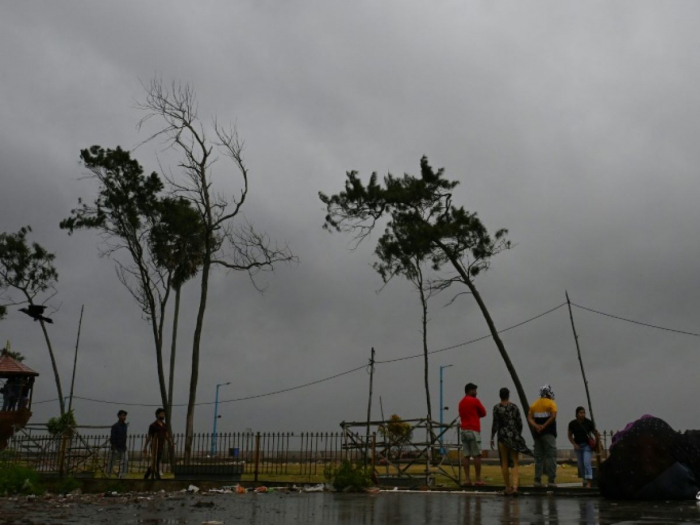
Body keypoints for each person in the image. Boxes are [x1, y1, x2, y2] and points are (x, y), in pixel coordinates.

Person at [490, 387, 532, 496]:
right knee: (515, 462)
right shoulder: (514, 407)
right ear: (508, 395)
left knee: (504, 462)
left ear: (500, 395)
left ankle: (507, 487)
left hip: (502, 437)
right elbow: (520, 422)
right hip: (514, 437)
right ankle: (515, 487)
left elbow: (495, 424)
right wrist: (517, 434)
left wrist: (492, 437)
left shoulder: (496, 408)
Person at [528, 384, 558, 488]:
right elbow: (553, 416)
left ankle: (537, 480)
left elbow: (530, 418)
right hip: (549, 433)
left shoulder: (534, 404)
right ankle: (551, 480)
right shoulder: (551, 403)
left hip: (537, 435)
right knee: (551, 456)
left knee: (538, 458)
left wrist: (537, 426)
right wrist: (544, 426)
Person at [458, 382, 487, 486]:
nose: (476, 392)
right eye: (474, 390)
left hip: (464, 430)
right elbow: (483, 413)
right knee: (477, 455)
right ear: (470, 390)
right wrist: (476, 414)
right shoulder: (475, 401)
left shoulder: (461, 402)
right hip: (473, 430)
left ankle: (467, 479)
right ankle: (478, 479)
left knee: (466, 455)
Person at [568, 406, 596, 488]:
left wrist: (597, 441)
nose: (582, 414)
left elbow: (594, 433)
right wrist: (574, 444)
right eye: (580, 413)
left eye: (584, 413)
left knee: (587, 463)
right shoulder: (572, 424)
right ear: (577, 414)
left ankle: (589, 482)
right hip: (578, 446)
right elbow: (569, 435)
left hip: (587, 445)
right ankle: (584, 479)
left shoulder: (588, 422)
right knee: (581, 464)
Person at [143, 408, 174, 480]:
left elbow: (166, 435)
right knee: (155, 461)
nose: (163, 415)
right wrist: (145, 447)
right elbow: (149, 436)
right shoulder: (153, 425)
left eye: (164, 414)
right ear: (157, 415)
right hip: (154, 446)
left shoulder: (164, 425)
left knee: (156, 461)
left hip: (161, 445)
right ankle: (157, 476)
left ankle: (147, 475)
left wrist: (170, 442)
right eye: (161, 414)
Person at [108, 410, 129, 479]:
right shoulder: (115, 426)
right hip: (116, 447)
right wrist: (113, 446)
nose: (124, 417)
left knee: (125, 461)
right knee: (112, 461)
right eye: (123, 415)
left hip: (123, 447)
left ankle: (121, 476)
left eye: (125, 416)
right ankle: (109, 475)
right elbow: (113, 436)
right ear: (119, 416)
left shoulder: (125, 426)